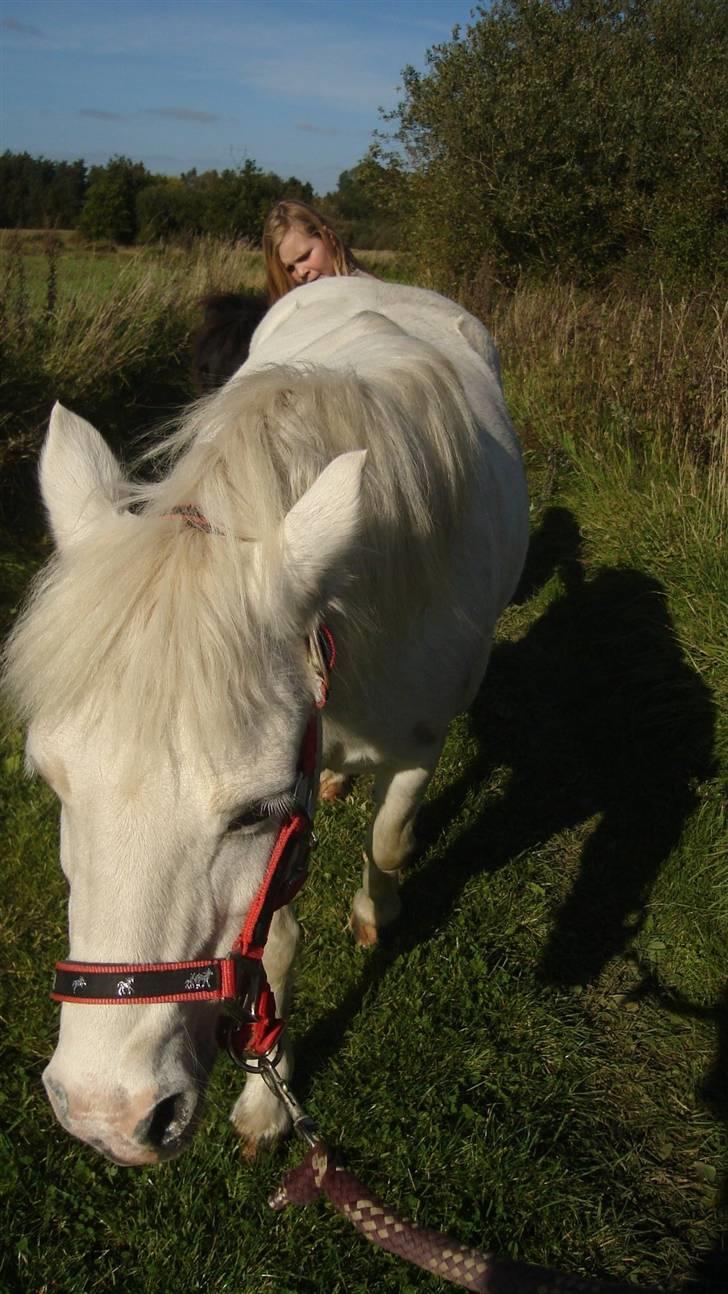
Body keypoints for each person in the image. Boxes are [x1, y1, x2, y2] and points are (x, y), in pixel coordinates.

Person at [262, 199, 364, 304]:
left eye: (304, 257)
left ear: (329, 238)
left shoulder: (370, 293)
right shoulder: (292, 307)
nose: (301, 272)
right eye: (290, 268)